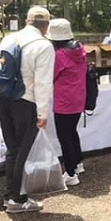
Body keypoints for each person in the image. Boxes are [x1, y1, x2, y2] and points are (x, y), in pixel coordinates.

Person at [0, 6, 55, 213]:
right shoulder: (44, 46)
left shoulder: (8, 39)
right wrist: (43, 113)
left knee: (12, 149)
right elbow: (43, 83)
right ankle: (17, 199)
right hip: (25, 101)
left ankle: (9, 195)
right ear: (46, 25)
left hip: (4, 99)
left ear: (27, 21)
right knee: (23, 151)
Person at [46, 18, 87, 187]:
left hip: (64, 101)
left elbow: (50, 76)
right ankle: (78, 164)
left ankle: (70, 173)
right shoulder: (80, 51)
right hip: (79, 99)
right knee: (72, 132)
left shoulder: (59, 56)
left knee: (64, 136)